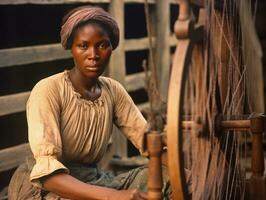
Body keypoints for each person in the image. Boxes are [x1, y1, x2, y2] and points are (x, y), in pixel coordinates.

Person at [8, 6, 170, 200]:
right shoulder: (48, 90)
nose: (93, 54)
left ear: (111, 48)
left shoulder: (113, 90)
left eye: (102, 45)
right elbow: (48, 176)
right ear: (71, 48)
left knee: (168, 178)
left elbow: (150, 144)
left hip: (93, 181)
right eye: (83, 46)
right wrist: (113, 196)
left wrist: (188, 175)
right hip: (48, 187)